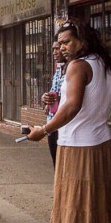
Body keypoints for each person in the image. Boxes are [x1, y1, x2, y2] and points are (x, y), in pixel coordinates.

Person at [28, 19, 111, 223]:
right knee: (103, 198)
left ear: (83, 41)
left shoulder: (78, 65)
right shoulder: (105, 64)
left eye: (67, 42)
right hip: (100, 141)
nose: (62, 47)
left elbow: (73, 105)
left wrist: (43, 129)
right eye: (60, 43)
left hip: (77, 143)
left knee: (75, 201)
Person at [41, 39, 68, 167]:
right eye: (53, 49)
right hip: (52, 123)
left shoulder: (73, 71)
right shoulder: (58, 71)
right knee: (56, 163)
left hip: (65, 125)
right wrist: (45, 99)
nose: (54, 52)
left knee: (65, 165)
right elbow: (53, 93)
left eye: (57, 48)